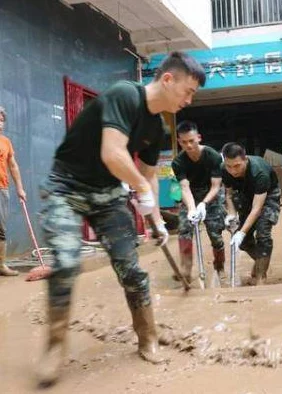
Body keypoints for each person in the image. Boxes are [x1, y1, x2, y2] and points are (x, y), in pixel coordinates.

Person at [37, 51, 206, 386]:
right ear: (167, 79)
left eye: (193, 95)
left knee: (131, 268)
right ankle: (55, 346)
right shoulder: (124, 95)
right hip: (66, 187)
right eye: (187, 91)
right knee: (67, 263)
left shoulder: (157, 127)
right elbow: (112, 153)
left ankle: (148, 337)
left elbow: (148, 174)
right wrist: (140, 186)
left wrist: (156, 220)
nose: (189, 100)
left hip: (108, 195)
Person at [172, 121, 226, 282]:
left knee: (215, 233)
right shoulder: (178, 162)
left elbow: (216, 186)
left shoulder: (213, 156)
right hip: (191, 195)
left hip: (212, 195)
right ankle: (186, 270)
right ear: (179, 141)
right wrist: (191, 208)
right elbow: (184, 186)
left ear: (198, 138)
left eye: (191, 141)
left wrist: (203, 204)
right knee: (184, 229)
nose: (188, 145)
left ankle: (220, 266)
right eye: (184, 142)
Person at [221, 143, 281, 285]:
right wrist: (231, 214)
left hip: (267, 196)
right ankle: (261, 261)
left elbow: (257, 209)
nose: (233, 171)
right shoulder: (224, 170)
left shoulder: (259, 172)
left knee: (263, 232)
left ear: (245, 159)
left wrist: (241, 232)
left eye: (237, 166)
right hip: (245, 195)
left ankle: (261, 276)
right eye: (229, 166)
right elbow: (229, 195)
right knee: (244, 242)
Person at [0, 106, 27, 276]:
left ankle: (1, 265)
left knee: (0, 228)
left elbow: (13, 166)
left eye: (2, 119)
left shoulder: (6, 142)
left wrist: (20, 188)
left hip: (1, 189)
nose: (0, 122)